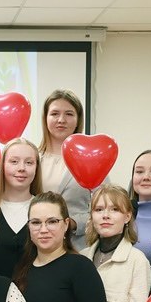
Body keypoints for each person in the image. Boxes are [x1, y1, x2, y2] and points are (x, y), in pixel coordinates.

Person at [36, 89, 91, 236]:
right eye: (54, 114)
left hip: (77, 248)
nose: (61, 120)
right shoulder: (32, 159)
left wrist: (72, 223)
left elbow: (105, 209)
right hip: (36, 247)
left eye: (69, 114)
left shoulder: (90, 160)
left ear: (78, 119)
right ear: (45, 118)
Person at [0, 139, 42, 278]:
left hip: (37, 296)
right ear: (3, 166)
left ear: (36, 168)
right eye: (14, 161)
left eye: (29, 162)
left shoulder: (46, 209)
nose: (21, 168)